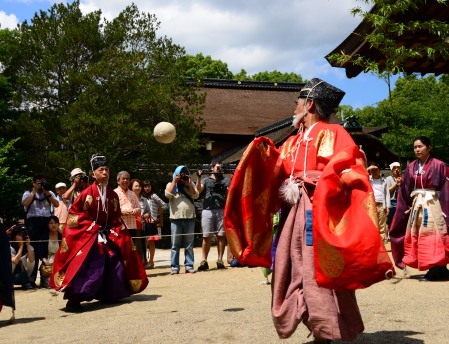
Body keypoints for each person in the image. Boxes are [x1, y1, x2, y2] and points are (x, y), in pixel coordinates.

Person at [224, 78, 394, 343]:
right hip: (294, 213)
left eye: (297, 104)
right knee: (292, 267)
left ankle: (326, 330)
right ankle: (315, 324)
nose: (294, 110)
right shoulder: (292, 142)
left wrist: (323, 181)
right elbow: (276, 173)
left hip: (321, 211)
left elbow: (350, 164)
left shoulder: (336, 133)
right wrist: (262, 154)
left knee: (319, 267)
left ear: (310, 104)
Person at [50, 154, 148, 312]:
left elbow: (116, 217)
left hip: (107, 234)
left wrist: (114, 230)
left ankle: (109, 294)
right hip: (89, 235)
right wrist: (92, 227)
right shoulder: (86, 194)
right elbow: (74, 216)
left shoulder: (112, 195)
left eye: (107, 170)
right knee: (88, 263)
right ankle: (75, 298)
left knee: (113, 260)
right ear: (93, 174)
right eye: (101, 170)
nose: (105, 173)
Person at [389, 136, 449, 281]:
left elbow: (446, 188)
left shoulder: (440, 165)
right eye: (415, 147)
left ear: (429, 147)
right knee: (420, 235)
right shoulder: (411, 167)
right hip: (417, 206)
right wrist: (405, 207)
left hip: (434, 205)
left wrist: (445, 207)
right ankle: (431, 266)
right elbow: (404, 190)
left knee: (434, 235)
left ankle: (438, 267)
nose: (417, 149)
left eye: (420, 146)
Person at [21, 173, 59, 287]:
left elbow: (56, 204)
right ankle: (30, 279)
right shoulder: (28, 193)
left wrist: (46, 192)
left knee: (44, 249)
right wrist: (34, 190)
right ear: (33, 182)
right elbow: (25, 203)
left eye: (42, 181)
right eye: (38, 182)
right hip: (33, 223)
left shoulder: (49, 192)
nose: (41, 184)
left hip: (46, 222)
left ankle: (45, 278)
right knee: (32, 249)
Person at [165, 165, 199, 274]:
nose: (183, 175)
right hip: (176, 219)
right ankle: (175, 267)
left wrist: (188, 183)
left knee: (189, 244)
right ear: (177, 174)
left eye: (185, 172)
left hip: (189, 218)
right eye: (181, 173)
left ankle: (189, 265)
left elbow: (196, 196)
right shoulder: (171, 184)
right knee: (175, 244)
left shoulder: (190, 184)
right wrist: (175, 181)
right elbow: (167, 194)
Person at [196, 162, 230, 270]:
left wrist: (225, 188)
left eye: (221, 168)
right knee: (206, 236)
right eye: (218, 167)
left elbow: (229, 194)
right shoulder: (205, 180)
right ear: (212, 168)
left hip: (221, 209)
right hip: (207, 210)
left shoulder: (225, 180)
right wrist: (198, 177)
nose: (219, 169)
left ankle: (220, 260)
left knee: (221, 236)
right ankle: (204, 260)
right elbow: (198, 190)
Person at [114, 171, 142, 263]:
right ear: (118, 181)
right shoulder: (114, 193)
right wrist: (121, 211)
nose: (125, 180)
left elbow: (139, 208)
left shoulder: (132, 194)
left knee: (132, 249)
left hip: (132, 226)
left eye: (127, 179)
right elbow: (111, 210)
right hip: (119, 226)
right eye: (123, 179)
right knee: (120, 248)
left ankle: (131, 271)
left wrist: (136, 211)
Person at [142, 180, 167, 269]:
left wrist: (156, 214)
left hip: (151, 222)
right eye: (145, 186)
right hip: (142, 222)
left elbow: (164, 205)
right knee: (142, 242)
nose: (147, 188)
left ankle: (151, 261)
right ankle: (144, 260)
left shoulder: (154, 196)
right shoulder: (141, 197)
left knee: (151, 242)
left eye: (148, 186)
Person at [130, 178, 151, 267]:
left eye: (139, 186)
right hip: (131, 225)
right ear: (131, 187)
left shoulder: (144, 199)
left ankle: (143, 262)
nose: (138, 188)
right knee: (133, 244)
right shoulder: (128, 198)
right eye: (136, 186)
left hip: (142, 225)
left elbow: (148, 212)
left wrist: (146, 215)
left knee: (142, 244)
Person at [37, 215, 62, 288]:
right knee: (50, 284)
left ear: (58, 224)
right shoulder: (44, 237)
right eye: (51, 223)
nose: (53, 225)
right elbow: (41, 254)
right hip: (48, 263)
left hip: (60, 262)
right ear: (48, 225)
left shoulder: (62, 237)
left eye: (55, 223)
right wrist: (46, 262)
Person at [367, 162, 389, 240]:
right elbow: (362, 175)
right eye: (372, 170)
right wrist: (368, 169)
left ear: (379, 170)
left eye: (375, 170)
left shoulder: (384, 180)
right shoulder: (368, 179)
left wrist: (387, 206)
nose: (374, 172)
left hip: (381, 204)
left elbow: (387, 194)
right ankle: (374, 241)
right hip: (371, 205)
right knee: (372, 224)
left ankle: (381, 242)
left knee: (382, 225)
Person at [9, 224, 35, 290]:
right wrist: (21, 246)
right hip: (12, 276)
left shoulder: (28, 247)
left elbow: (32, 261)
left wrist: (28, 245)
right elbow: (15, 261)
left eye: (22, 235)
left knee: (31, 260)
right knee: (16, 261)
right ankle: (26, 282)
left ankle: (26, 281)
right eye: (19, 235)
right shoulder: (10, 247)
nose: (21, 237)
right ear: (14, 237)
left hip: (25, 274)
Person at [385, 162, 401, 240]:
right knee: (389, 219)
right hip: (392, 201)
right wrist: (396, 183)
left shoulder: (402, 177)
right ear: (391, 169)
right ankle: (387, 235)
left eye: (398, 167)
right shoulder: (388, 179)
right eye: (394, 168)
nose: (396, 169)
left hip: (400, 201)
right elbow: (388, 190)